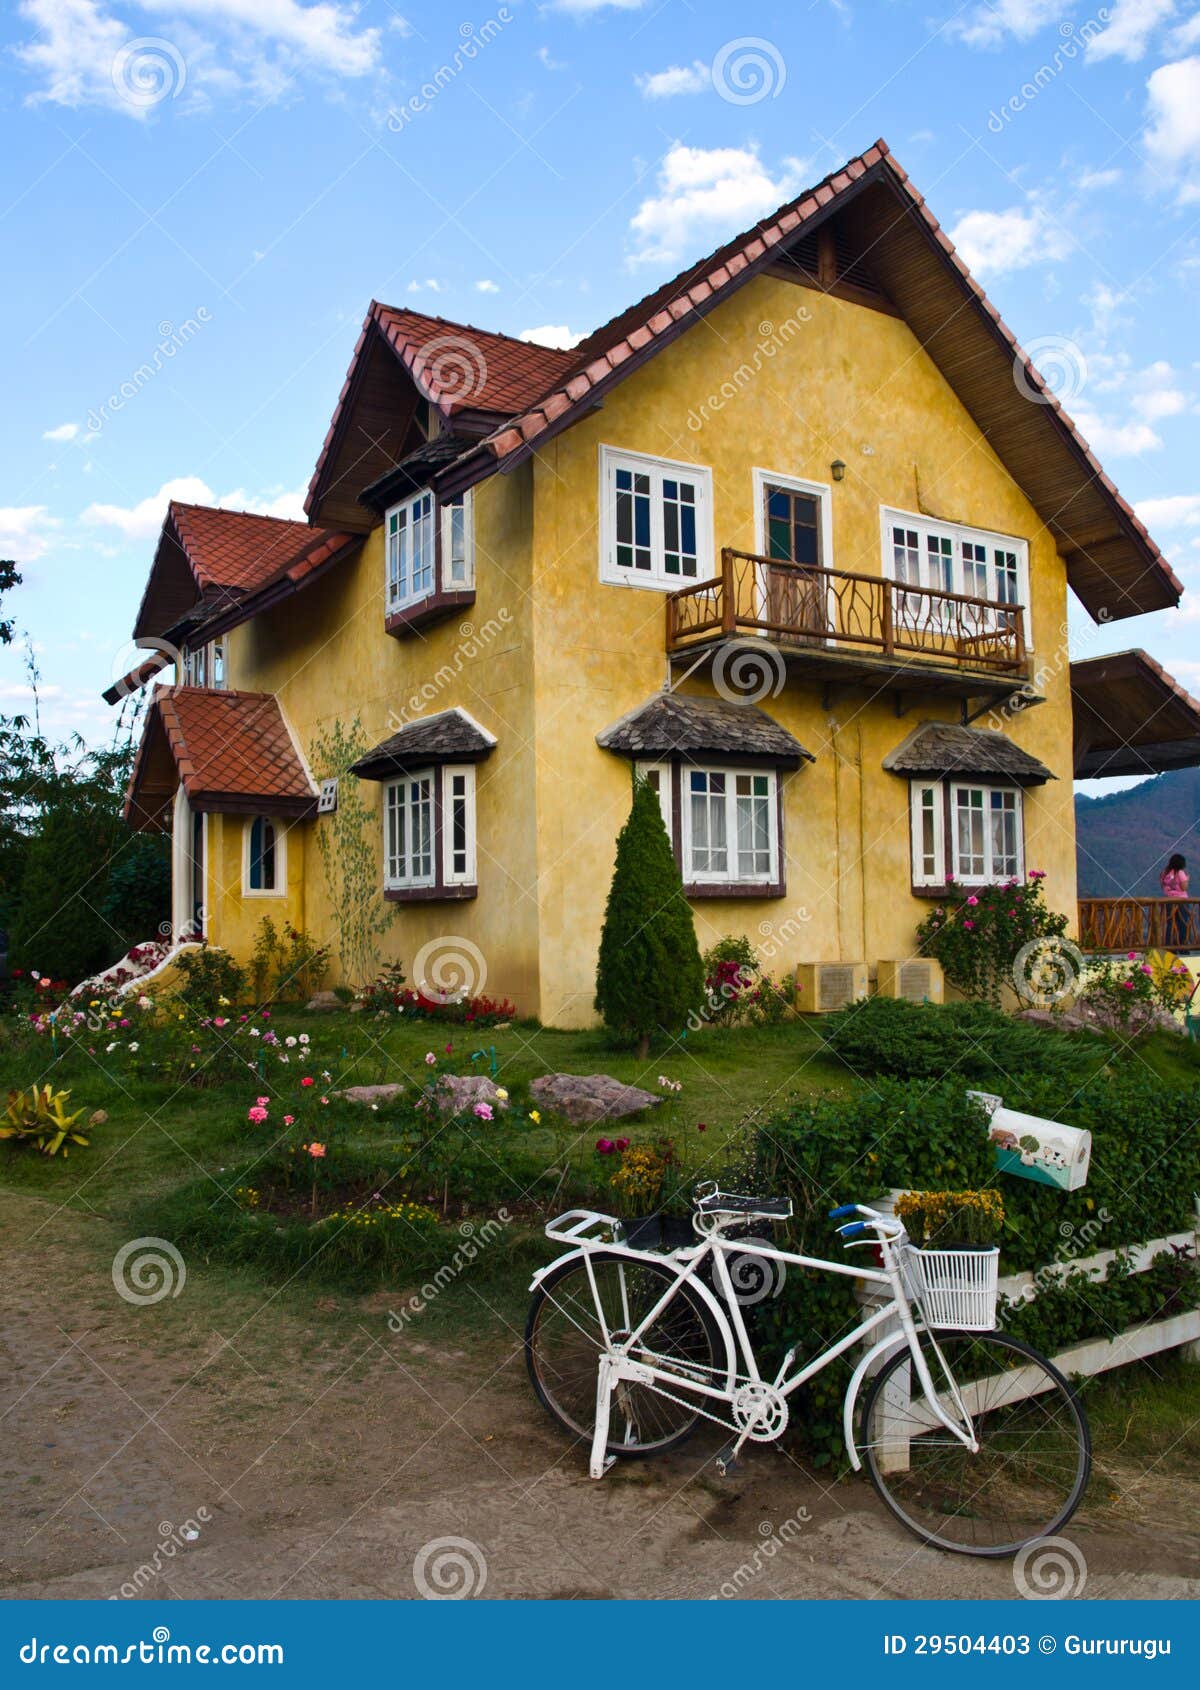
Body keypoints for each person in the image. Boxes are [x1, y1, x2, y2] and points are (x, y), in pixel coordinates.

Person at [1160, 853, 1189, 948]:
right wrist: (1187, 879)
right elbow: (1184, 887)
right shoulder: (1180, 873)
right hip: (1181, 901)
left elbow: (1163, 886)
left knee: (1170, 923)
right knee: (1183, 923)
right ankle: (1182, 945)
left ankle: (1169, 945)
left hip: (1169, 901)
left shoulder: (1164, 873)